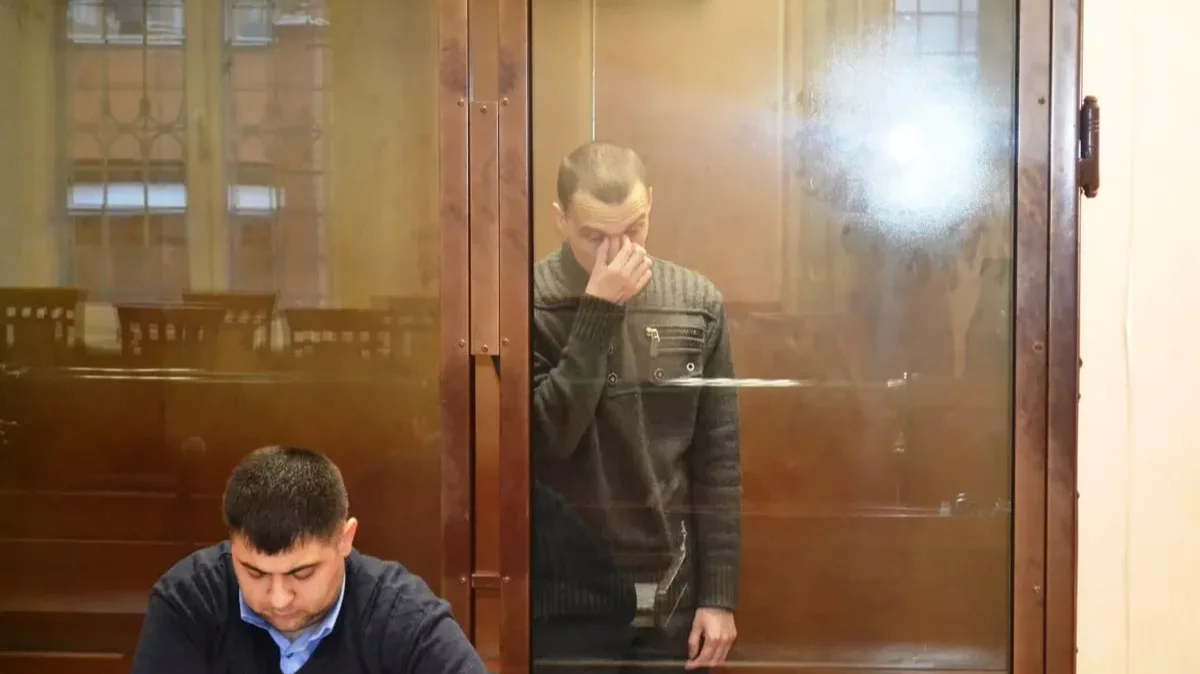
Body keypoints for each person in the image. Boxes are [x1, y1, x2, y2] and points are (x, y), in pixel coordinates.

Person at [531, 141, 742, 672]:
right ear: (560, 219)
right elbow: (547, 440)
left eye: (634, 230)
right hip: (563, 595)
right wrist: (599, 310)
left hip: (672, 587)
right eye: (595, 237)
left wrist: (719, 596)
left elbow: (717, 461)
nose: (618, 252)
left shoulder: (696, 302)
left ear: (650, 203)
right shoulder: (526, 301)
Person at [130, 445, 487, 674]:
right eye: (254, 572)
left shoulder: (402, 615)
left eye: (301, 573)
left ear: (345, 540)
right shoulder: (190, 601)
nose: (278, 599)